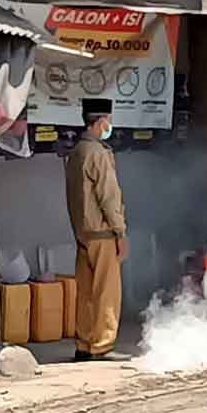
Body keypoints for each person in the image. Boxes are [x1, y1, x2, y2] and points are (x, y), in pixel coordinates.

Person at [65, 99, 129, 362]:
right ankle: (102, 345)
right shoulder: (98, 153)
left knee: (86, 292)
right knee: (106, 292)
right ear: (101, 122)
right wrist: (120, 232)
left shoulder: (76, 152)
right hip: (102, 234)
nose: (109, 126)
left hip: (82, 233)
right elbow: (109, 197)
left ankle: (84, 344)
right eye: (109, 121)